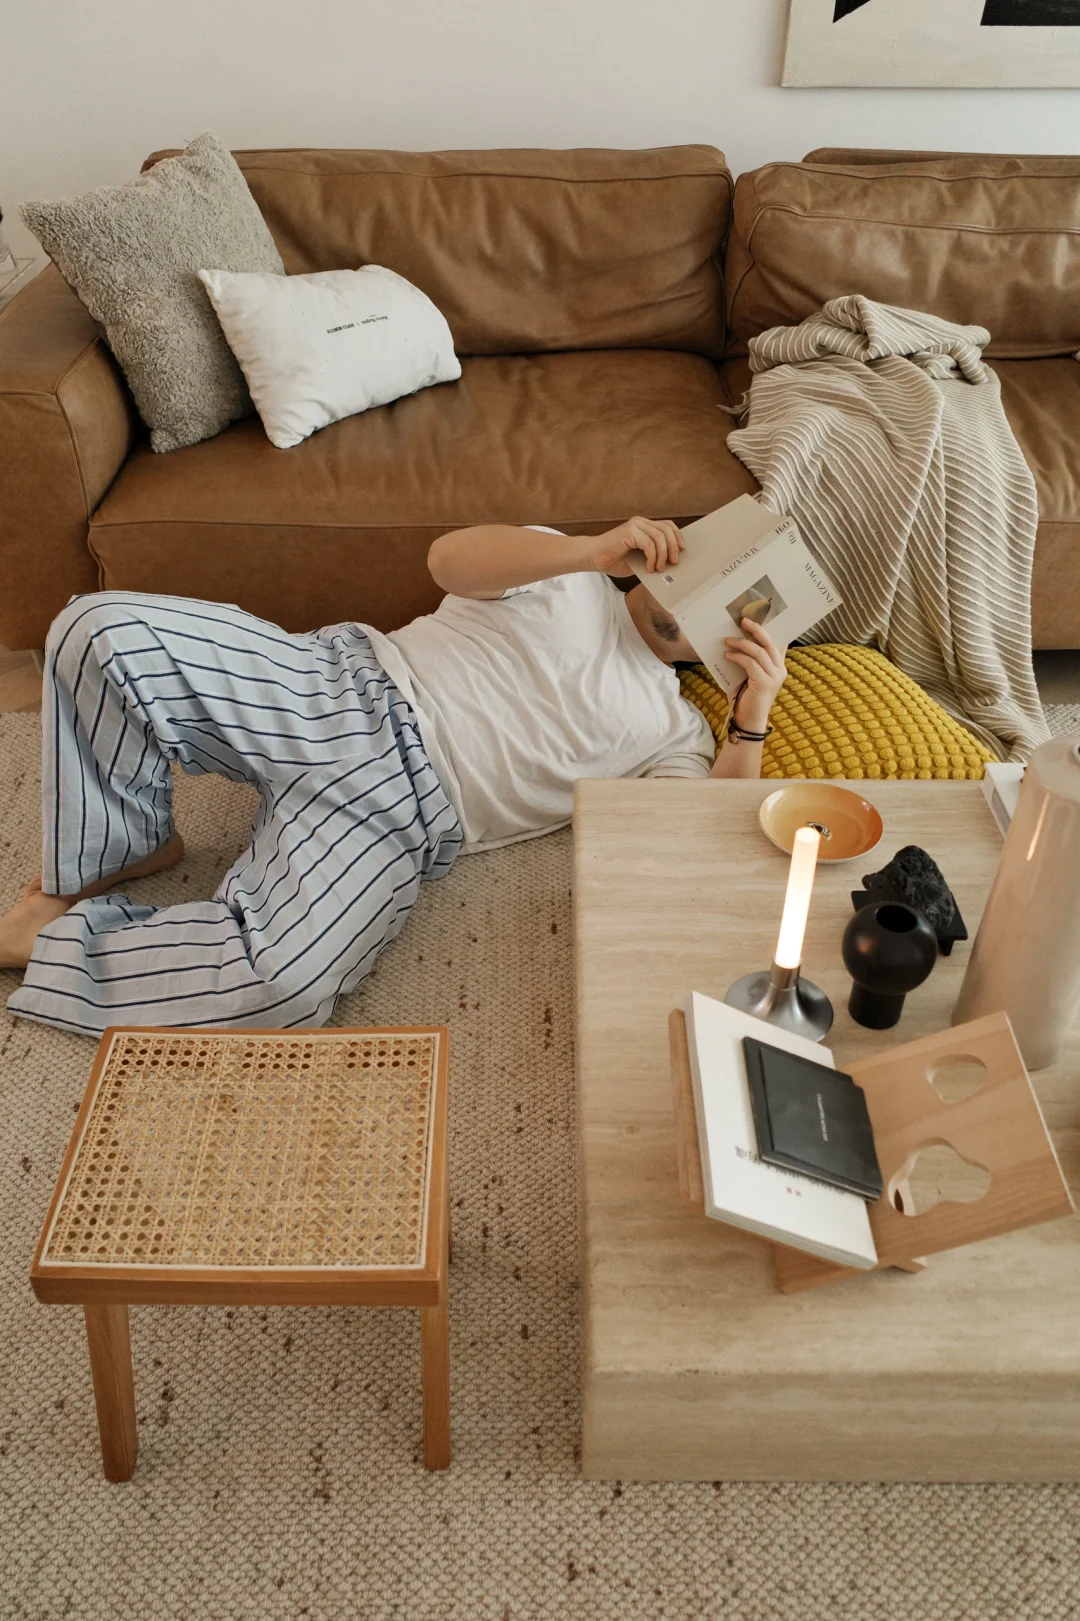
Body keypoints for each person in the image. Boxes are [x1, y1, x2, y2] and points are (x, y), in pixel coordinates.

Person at [0, 517, 787, 1036]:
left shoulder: (674, 729)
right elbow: (448, 559)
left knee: (283, 988)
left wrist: (751, 714)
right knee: (94, 628)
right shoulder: (570, 571)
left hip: (398, 815)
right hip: (337, 685)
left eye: (735, 607)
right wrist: (588, 551)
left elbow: (691, 844)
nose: (703, 602)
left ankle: (61, 946)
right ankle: (123, 844)